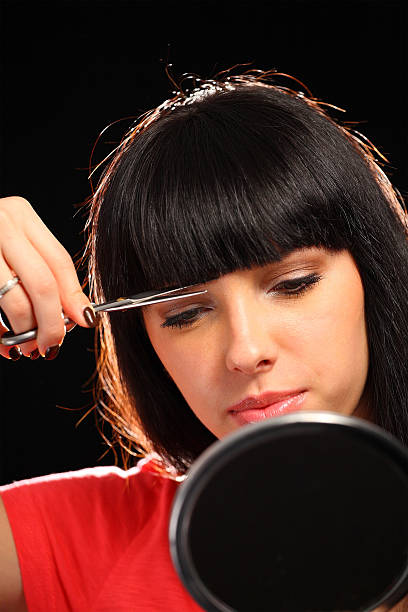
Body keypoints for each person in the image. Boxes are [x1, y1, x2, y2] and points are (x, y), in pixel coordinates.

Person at [0, 69, 407, 611]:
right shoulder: (81, 534)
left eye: (293, 284)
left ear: (375, 275)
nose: (244, 350)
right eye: (186, 314)